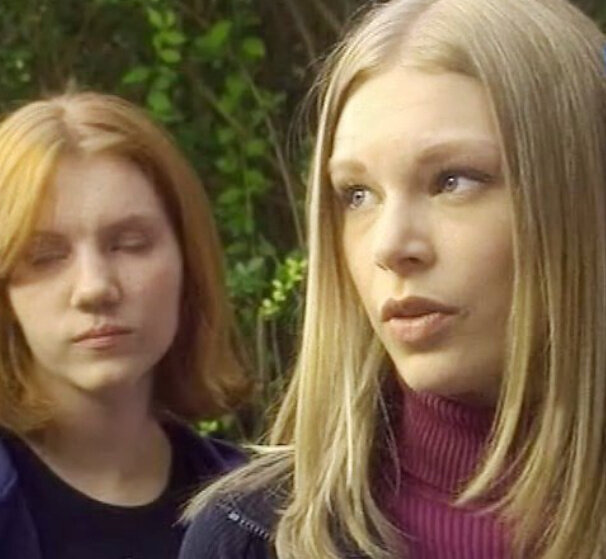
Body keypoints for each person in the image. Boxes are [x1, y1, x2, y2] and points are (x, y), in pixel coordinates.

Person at [179, 0, 606, 557]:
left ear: (581, 197)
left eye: (453, 181)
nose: (390, 246)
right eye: (357, 195)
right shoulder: (250, 537)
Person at [0, 91, 251, 559]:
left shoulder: (265, 518)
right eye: (45, 256)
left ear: (188, 261)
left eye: (130, 244)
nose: (94, 287)